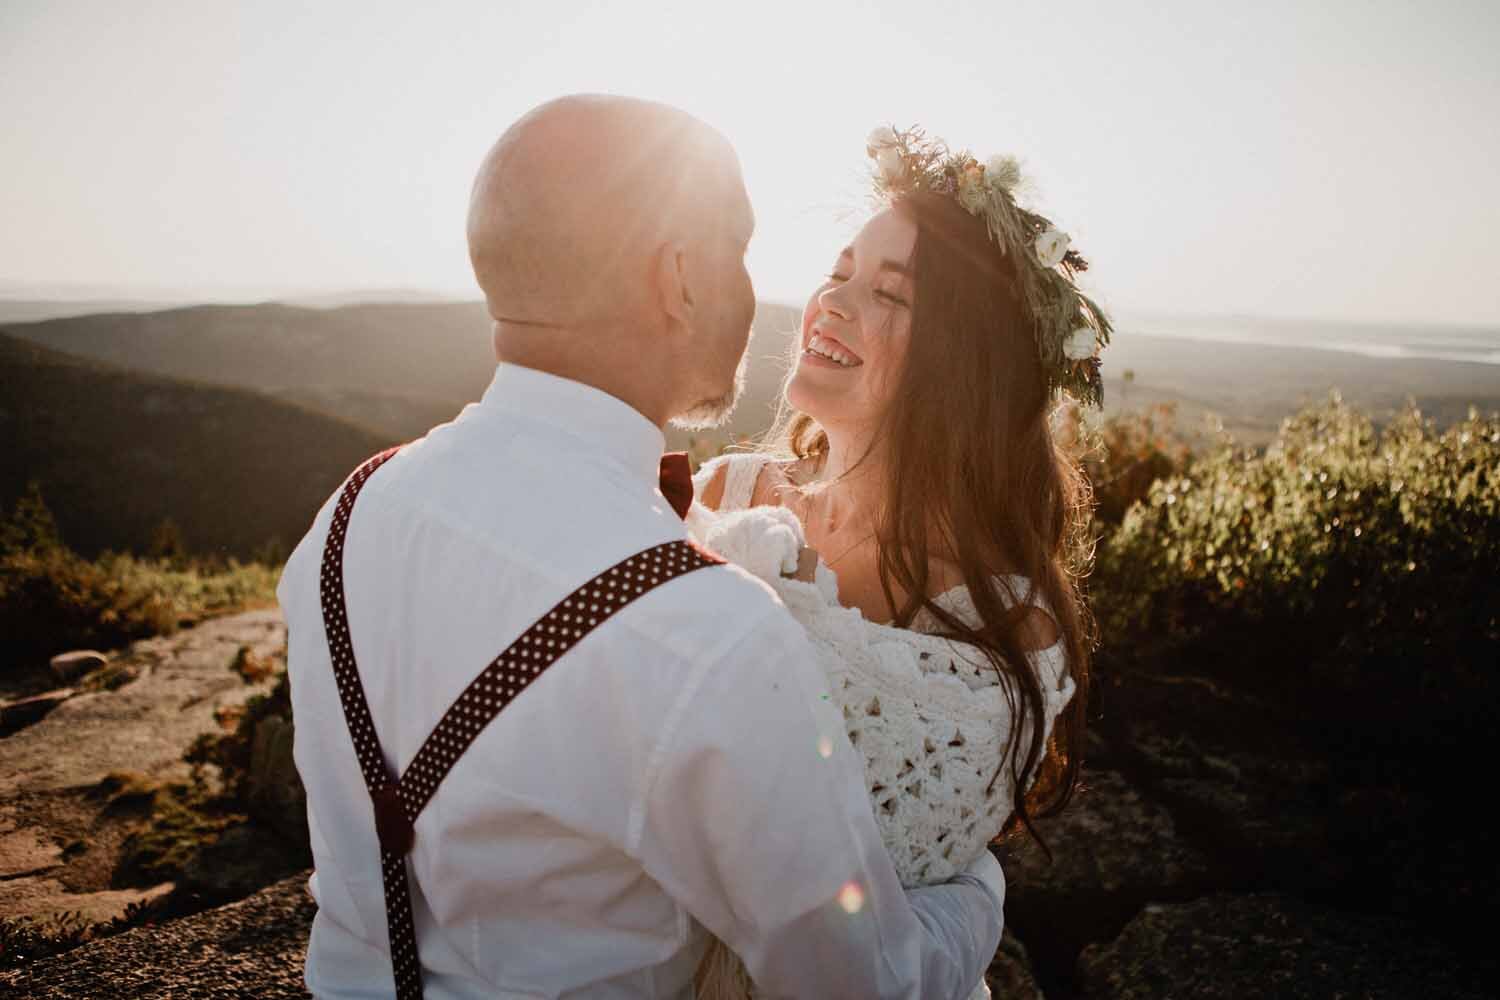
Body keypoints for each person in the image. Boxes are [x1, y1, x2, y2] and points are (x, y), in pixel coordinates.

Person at [278, 96, 1003, 998]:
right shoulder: (712, 631)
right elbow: (861, 982)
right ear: (679, 280)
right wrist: (975, 894)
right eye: (738, 251)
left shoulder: (343, 520)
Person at [689, 127, 1107, 997]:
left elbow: (863, 880)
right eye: (838, 273)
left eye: (889, 293)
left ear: (963, 367)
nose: (831, 302)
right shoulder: (725, 495)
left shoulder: (1000, 619)